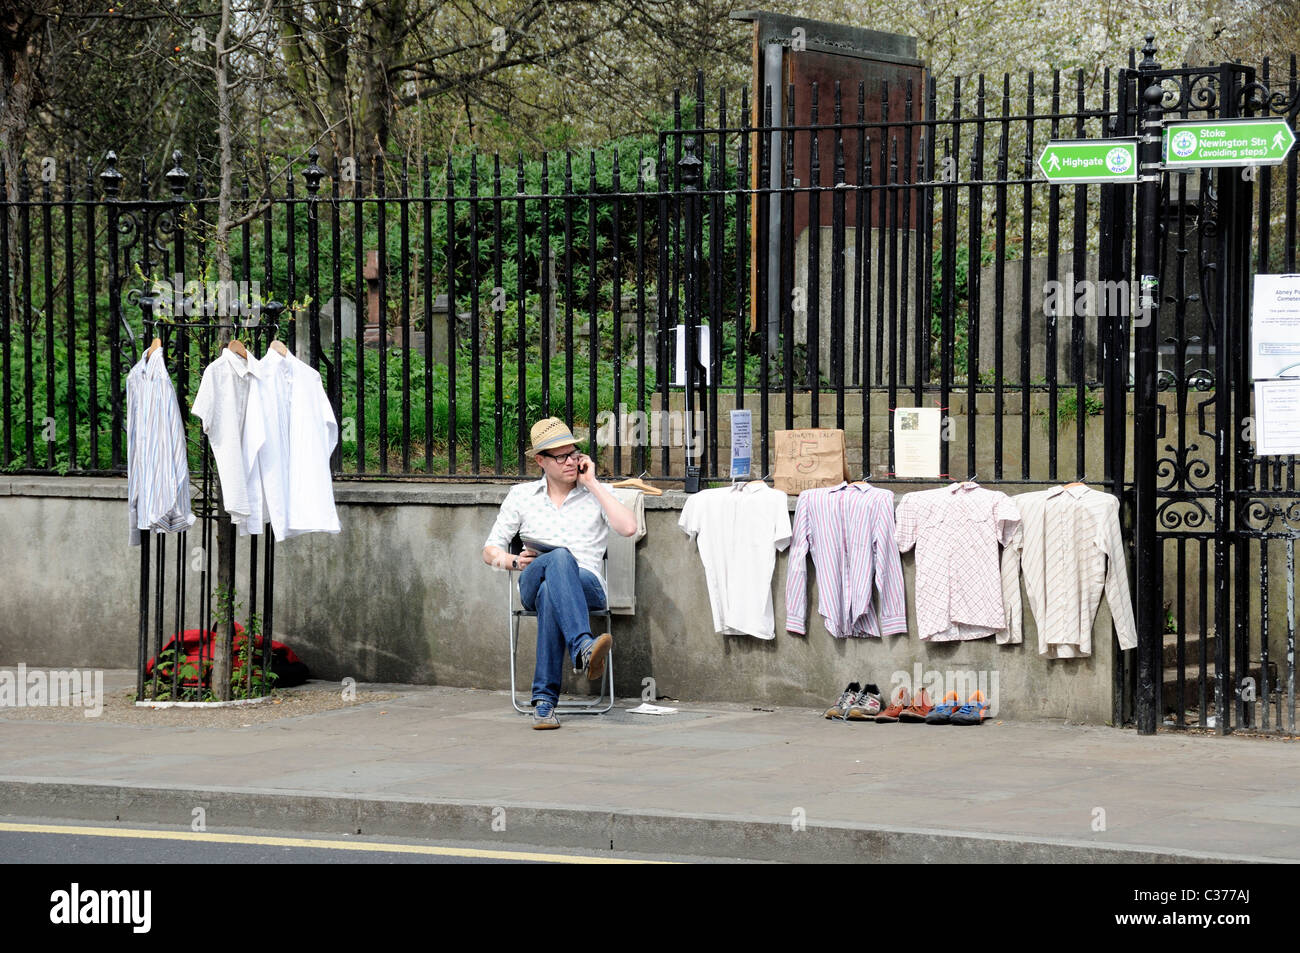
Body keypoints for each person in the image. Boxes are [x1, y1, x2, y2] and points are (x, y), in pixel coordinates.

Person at [482, 417, 638, 729]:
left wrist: (592, 483)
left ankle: (544, 701)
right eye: (561, 456)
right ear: (541, 461)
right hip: (532, 576)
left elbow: (628, 528)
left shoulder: (597, 491)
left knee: (551, 588)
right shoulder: (522, 495)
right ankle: (582, 645)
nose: (571, 461)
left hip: (587, 584)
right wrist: (514, 563)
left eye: (574, 453)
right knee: (558, 559)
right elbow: (490, 550)